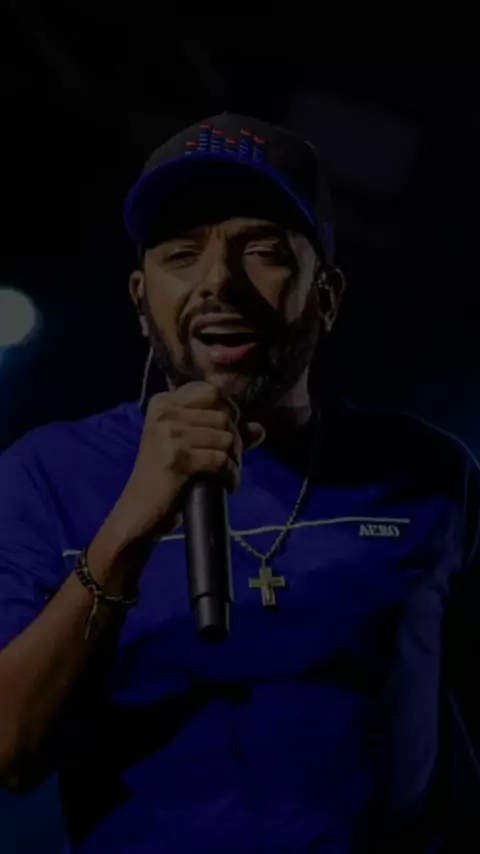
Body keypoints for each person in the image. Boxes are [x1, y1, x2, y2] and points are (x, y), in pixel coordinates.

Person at [0, 113, 478, 854]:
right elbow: (12, 750)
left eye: (263, 251)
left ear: (326, 297)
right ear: (140, 300)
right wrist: (131, 525)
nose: (218, 281)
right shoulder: (44, 475)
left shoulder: (431, 474)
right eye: (181, 254)